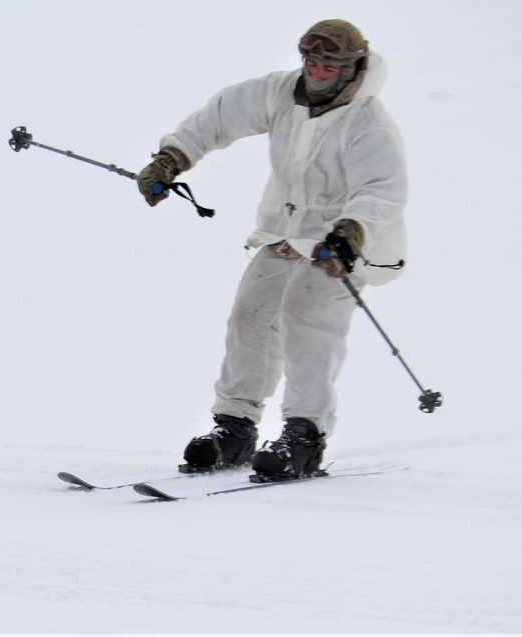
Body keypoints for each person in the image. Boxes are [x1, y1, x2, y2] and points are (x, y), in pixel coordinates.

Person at [136, 19, 408, 480]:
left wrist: (351, 230)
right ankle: (235, 428)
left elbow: (381, 189)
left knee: (308, 318)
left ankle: (305, 435)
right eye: (312, 61)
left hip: (345, 242)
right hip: (286, 231)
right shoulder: (281, 93)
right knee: (251, 315)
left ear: (353, 67)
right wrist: (173, 156)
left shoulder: (369, 122)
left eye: (330, 65)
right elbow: (220, 116)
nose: (318, 72)